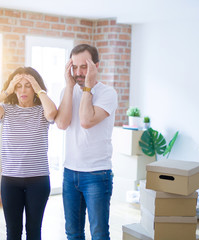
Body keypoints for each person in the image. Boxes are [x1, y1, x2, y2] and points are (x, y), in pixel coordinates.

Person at [0, 66, 57, 240]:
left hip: (38, 180)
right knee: (13, 232)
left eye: (28, 85)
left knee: (33, 231)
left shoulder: (43, 111)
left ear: (35, 88)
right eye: (18, 86)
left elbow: (52, 113)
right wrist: (7, 91)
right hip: (10, 180)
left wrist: (39, 90)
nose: (23, 90)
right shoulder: (6, 110)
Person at [55, 44, 118, 240]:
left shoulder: (108, 93)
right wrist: (69, 86)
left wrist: (87, 87)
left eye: (84, 67)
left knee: (99, 234)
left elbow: (86, 120)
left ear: (96, 66)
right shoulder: (68, 91)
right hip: (70, 173)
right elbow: (62, 124)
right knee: (73, 233)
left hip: (97, 174)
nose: (78, 73)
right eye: (74, 67)